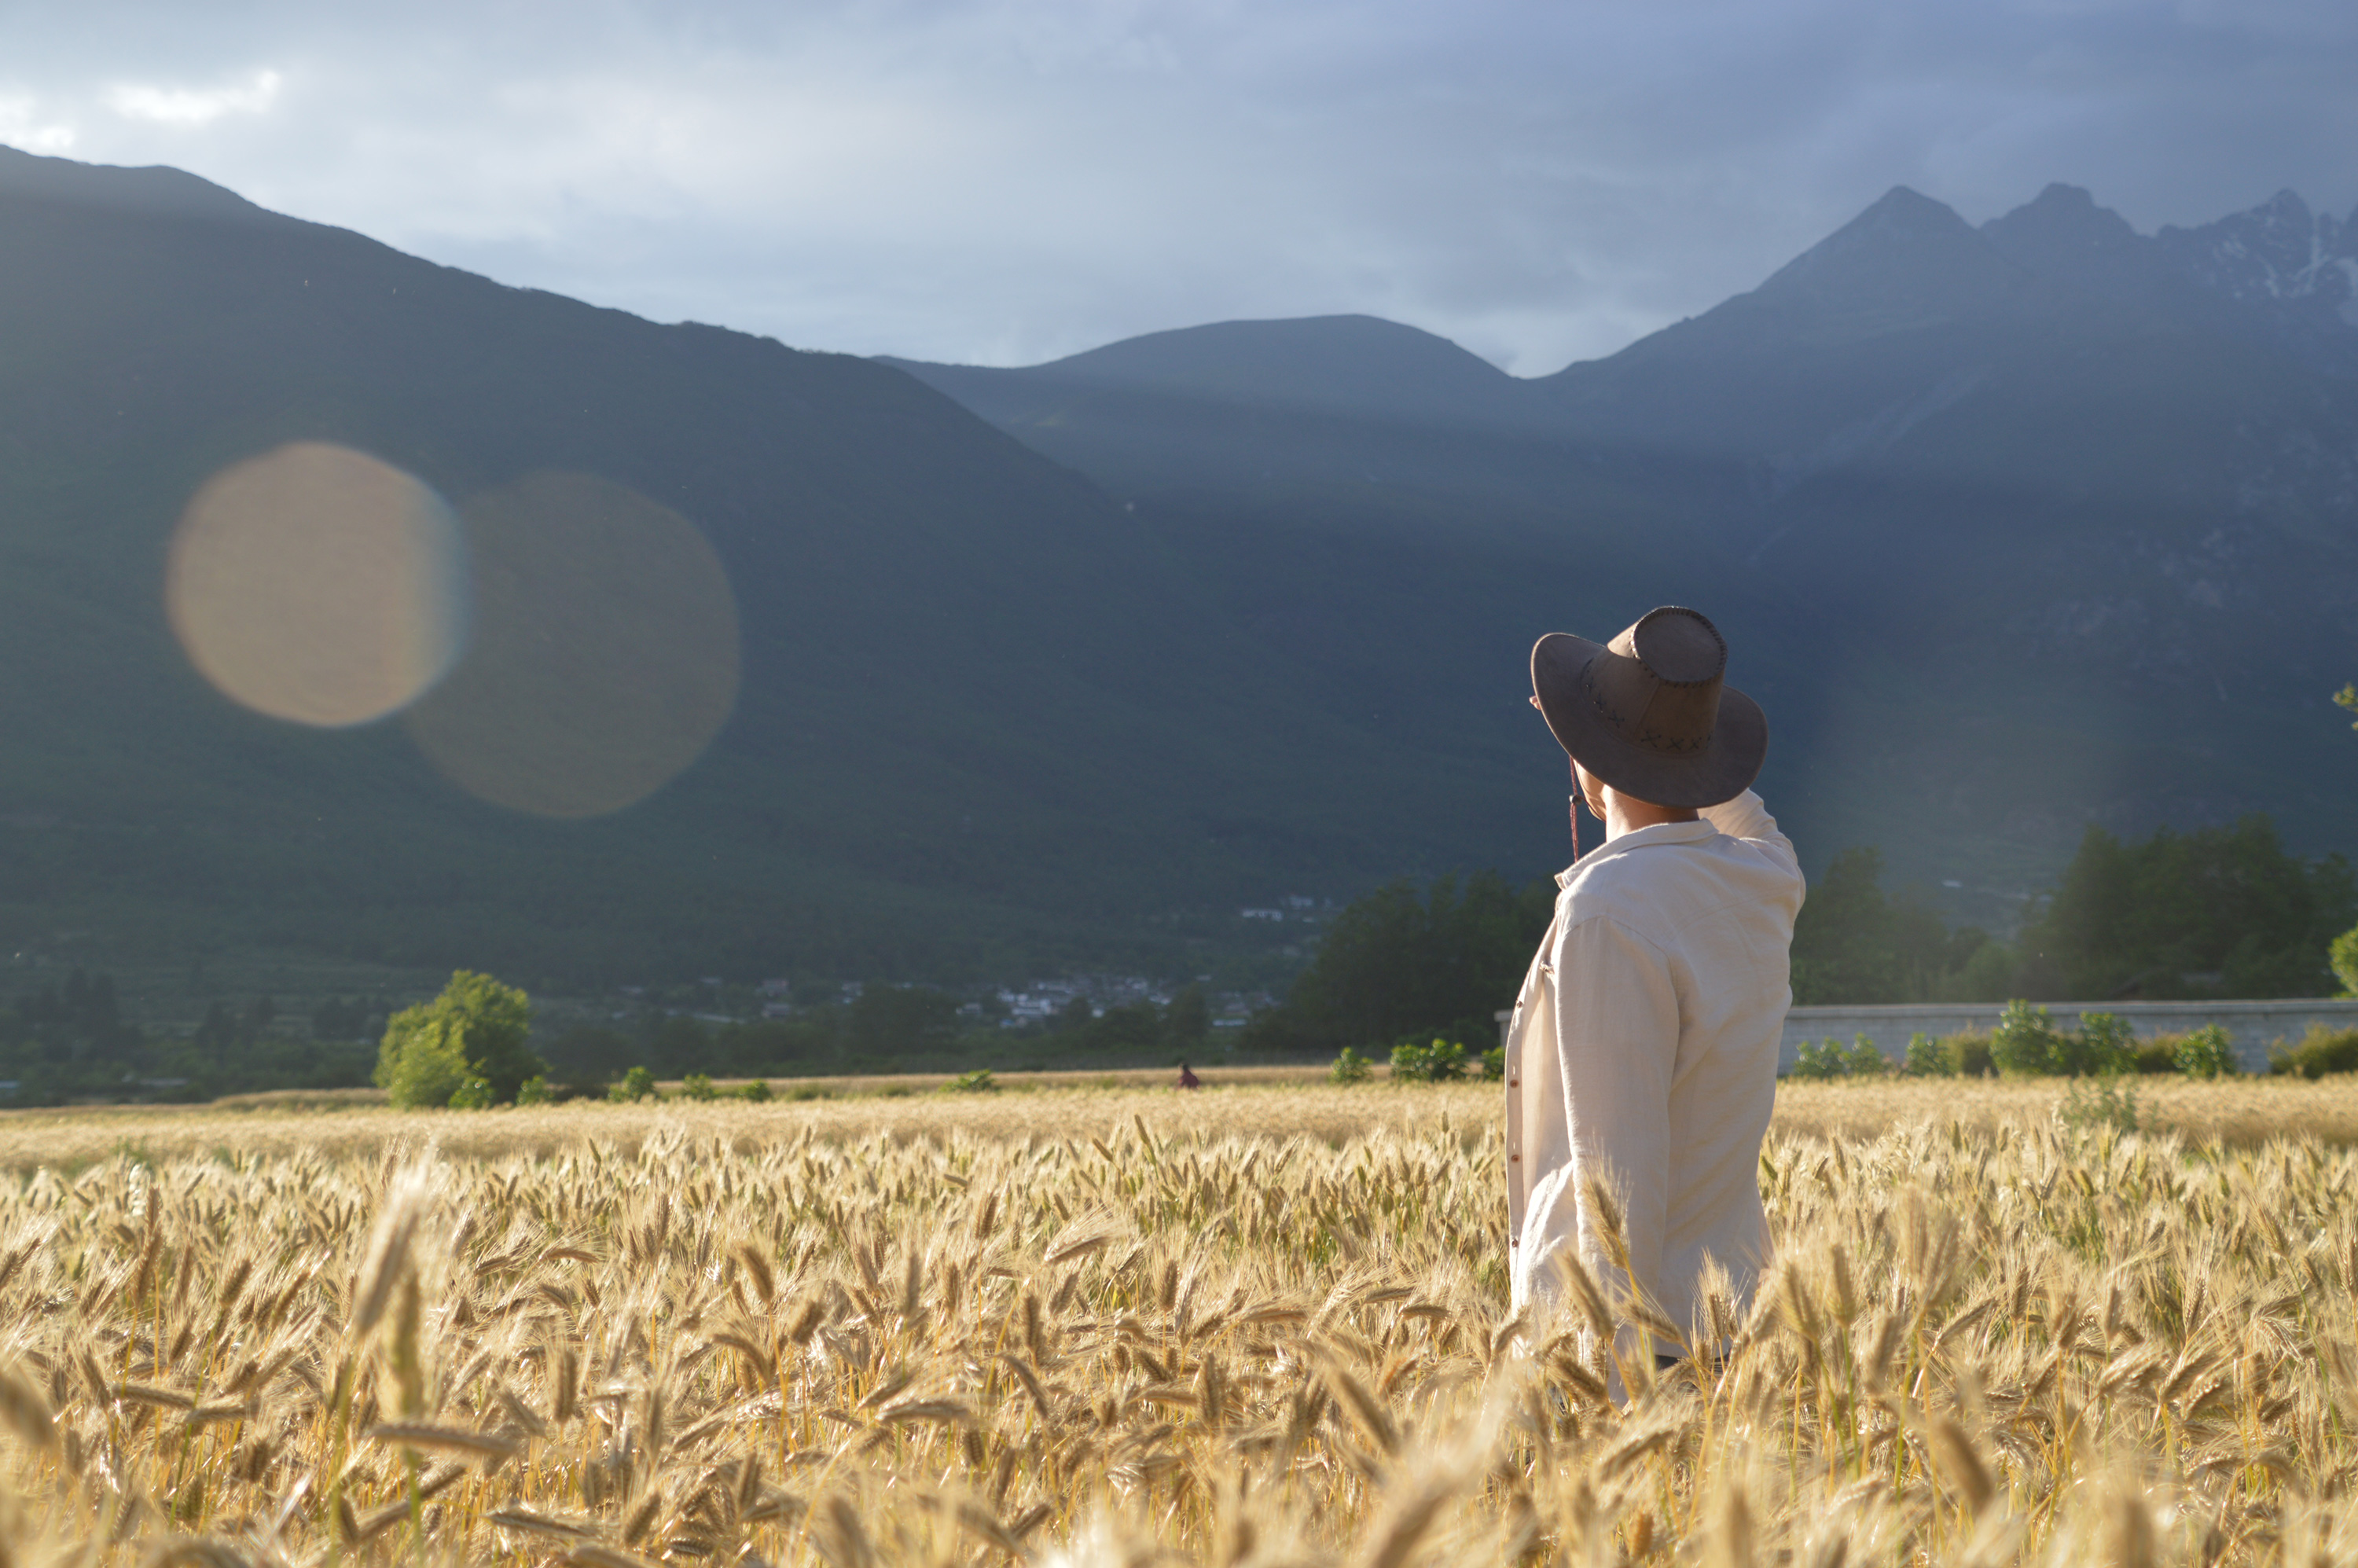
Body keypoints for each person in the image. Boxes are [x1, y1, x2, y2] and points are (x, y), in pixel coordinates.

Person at [1504, 605, 1803, 1368]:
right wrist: (1621, 740)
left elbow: (1618, 1176)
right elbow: (1747, 818)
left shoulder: (1607, 911)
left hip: (1635, 1347)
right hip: (1725, 1320)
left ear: (1589, 762)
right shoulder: (1767, 880)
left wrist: (1612, 1396)